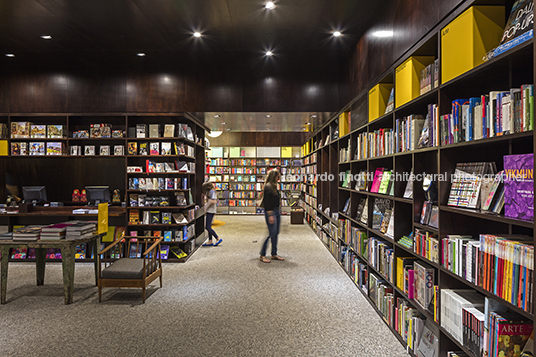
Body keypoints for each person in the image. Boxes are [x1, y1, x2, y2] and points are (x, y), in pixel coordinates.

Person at [259, 169, 284, 263]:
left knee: (276, 233)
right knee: (271, 233)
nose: (279, 178)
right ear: (275, 177)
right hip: (271, 212)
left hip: (276, 211)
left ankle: (274, 254)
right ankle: (262, 254)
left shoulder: (273, 186)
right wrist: (270, 215)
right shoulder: (268, 187)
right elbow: (267, 203)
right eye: (278, 177)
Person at [202, 182, 222, 247]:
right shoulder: (212, 191)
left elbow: (213, 201)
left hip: (210, 211)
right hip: (211, 210)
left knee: (207, 227)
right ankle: (210, 241)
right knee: (209, 226)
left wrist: (206, 208)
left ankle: (217, 238)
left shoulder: (211, 191)